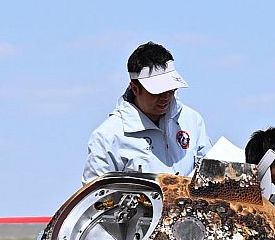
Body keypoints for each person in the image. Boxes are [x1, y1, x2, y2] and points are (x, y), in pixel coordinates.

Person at [83, 42, 210, 181]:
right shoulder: (108, 136)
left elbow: (211, 173)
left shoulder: (192, 120)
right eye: (158, 91)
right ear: (135, 88)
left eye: (171, 89)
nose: (166, 97)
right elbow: (98, 197)